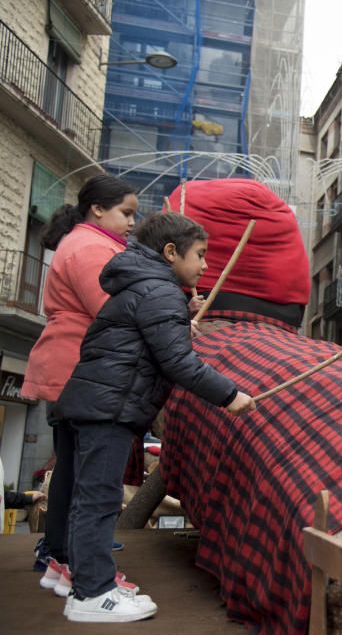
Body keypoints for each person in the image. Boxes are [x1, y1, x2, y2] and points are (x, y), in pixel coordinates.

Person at [52, 212, 256, 622]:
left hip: (91, 403)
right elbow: (179, 362)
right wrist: (229, 394)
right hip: (109, 408)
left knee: (85, 495)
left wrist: (180, 312)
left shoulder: (143, 287)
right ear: (170, 252)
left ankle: (79, 578)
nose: (204, 266)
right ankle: (93, 593)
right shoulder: (159, 293)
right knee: (100, 498)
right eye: (199, 255)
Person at [22, 175, 138, 579]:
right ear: (97, 209)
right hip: (80, 364)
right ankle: (75, 561)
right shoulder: (90, 247)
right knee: (85, 471)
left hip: (73, 362)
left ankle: (59, 552)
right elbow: (110, 308)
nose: (131, 223)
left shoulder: (87, 243)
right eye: (126, 213)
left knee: (72, 466)